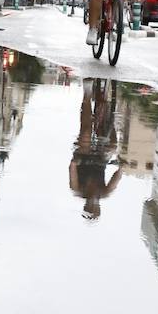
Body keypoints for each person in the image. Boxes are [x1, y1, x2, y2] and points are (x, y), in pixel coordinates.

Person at [69, 80, 122, 219]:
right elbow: (116, 179)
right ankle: (110, 121)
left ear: (85, 204)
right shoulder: (104, 192)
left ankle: (87, 95)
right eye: (94, 207)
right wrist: (121, 167)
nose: (92, 203)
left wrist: (75, 162)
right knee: (113, 145)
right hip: (100, 159)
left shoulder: (78, 189)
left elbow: (72, 172)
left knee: (86, 132)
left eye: (89, 206)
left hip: (84, 156)